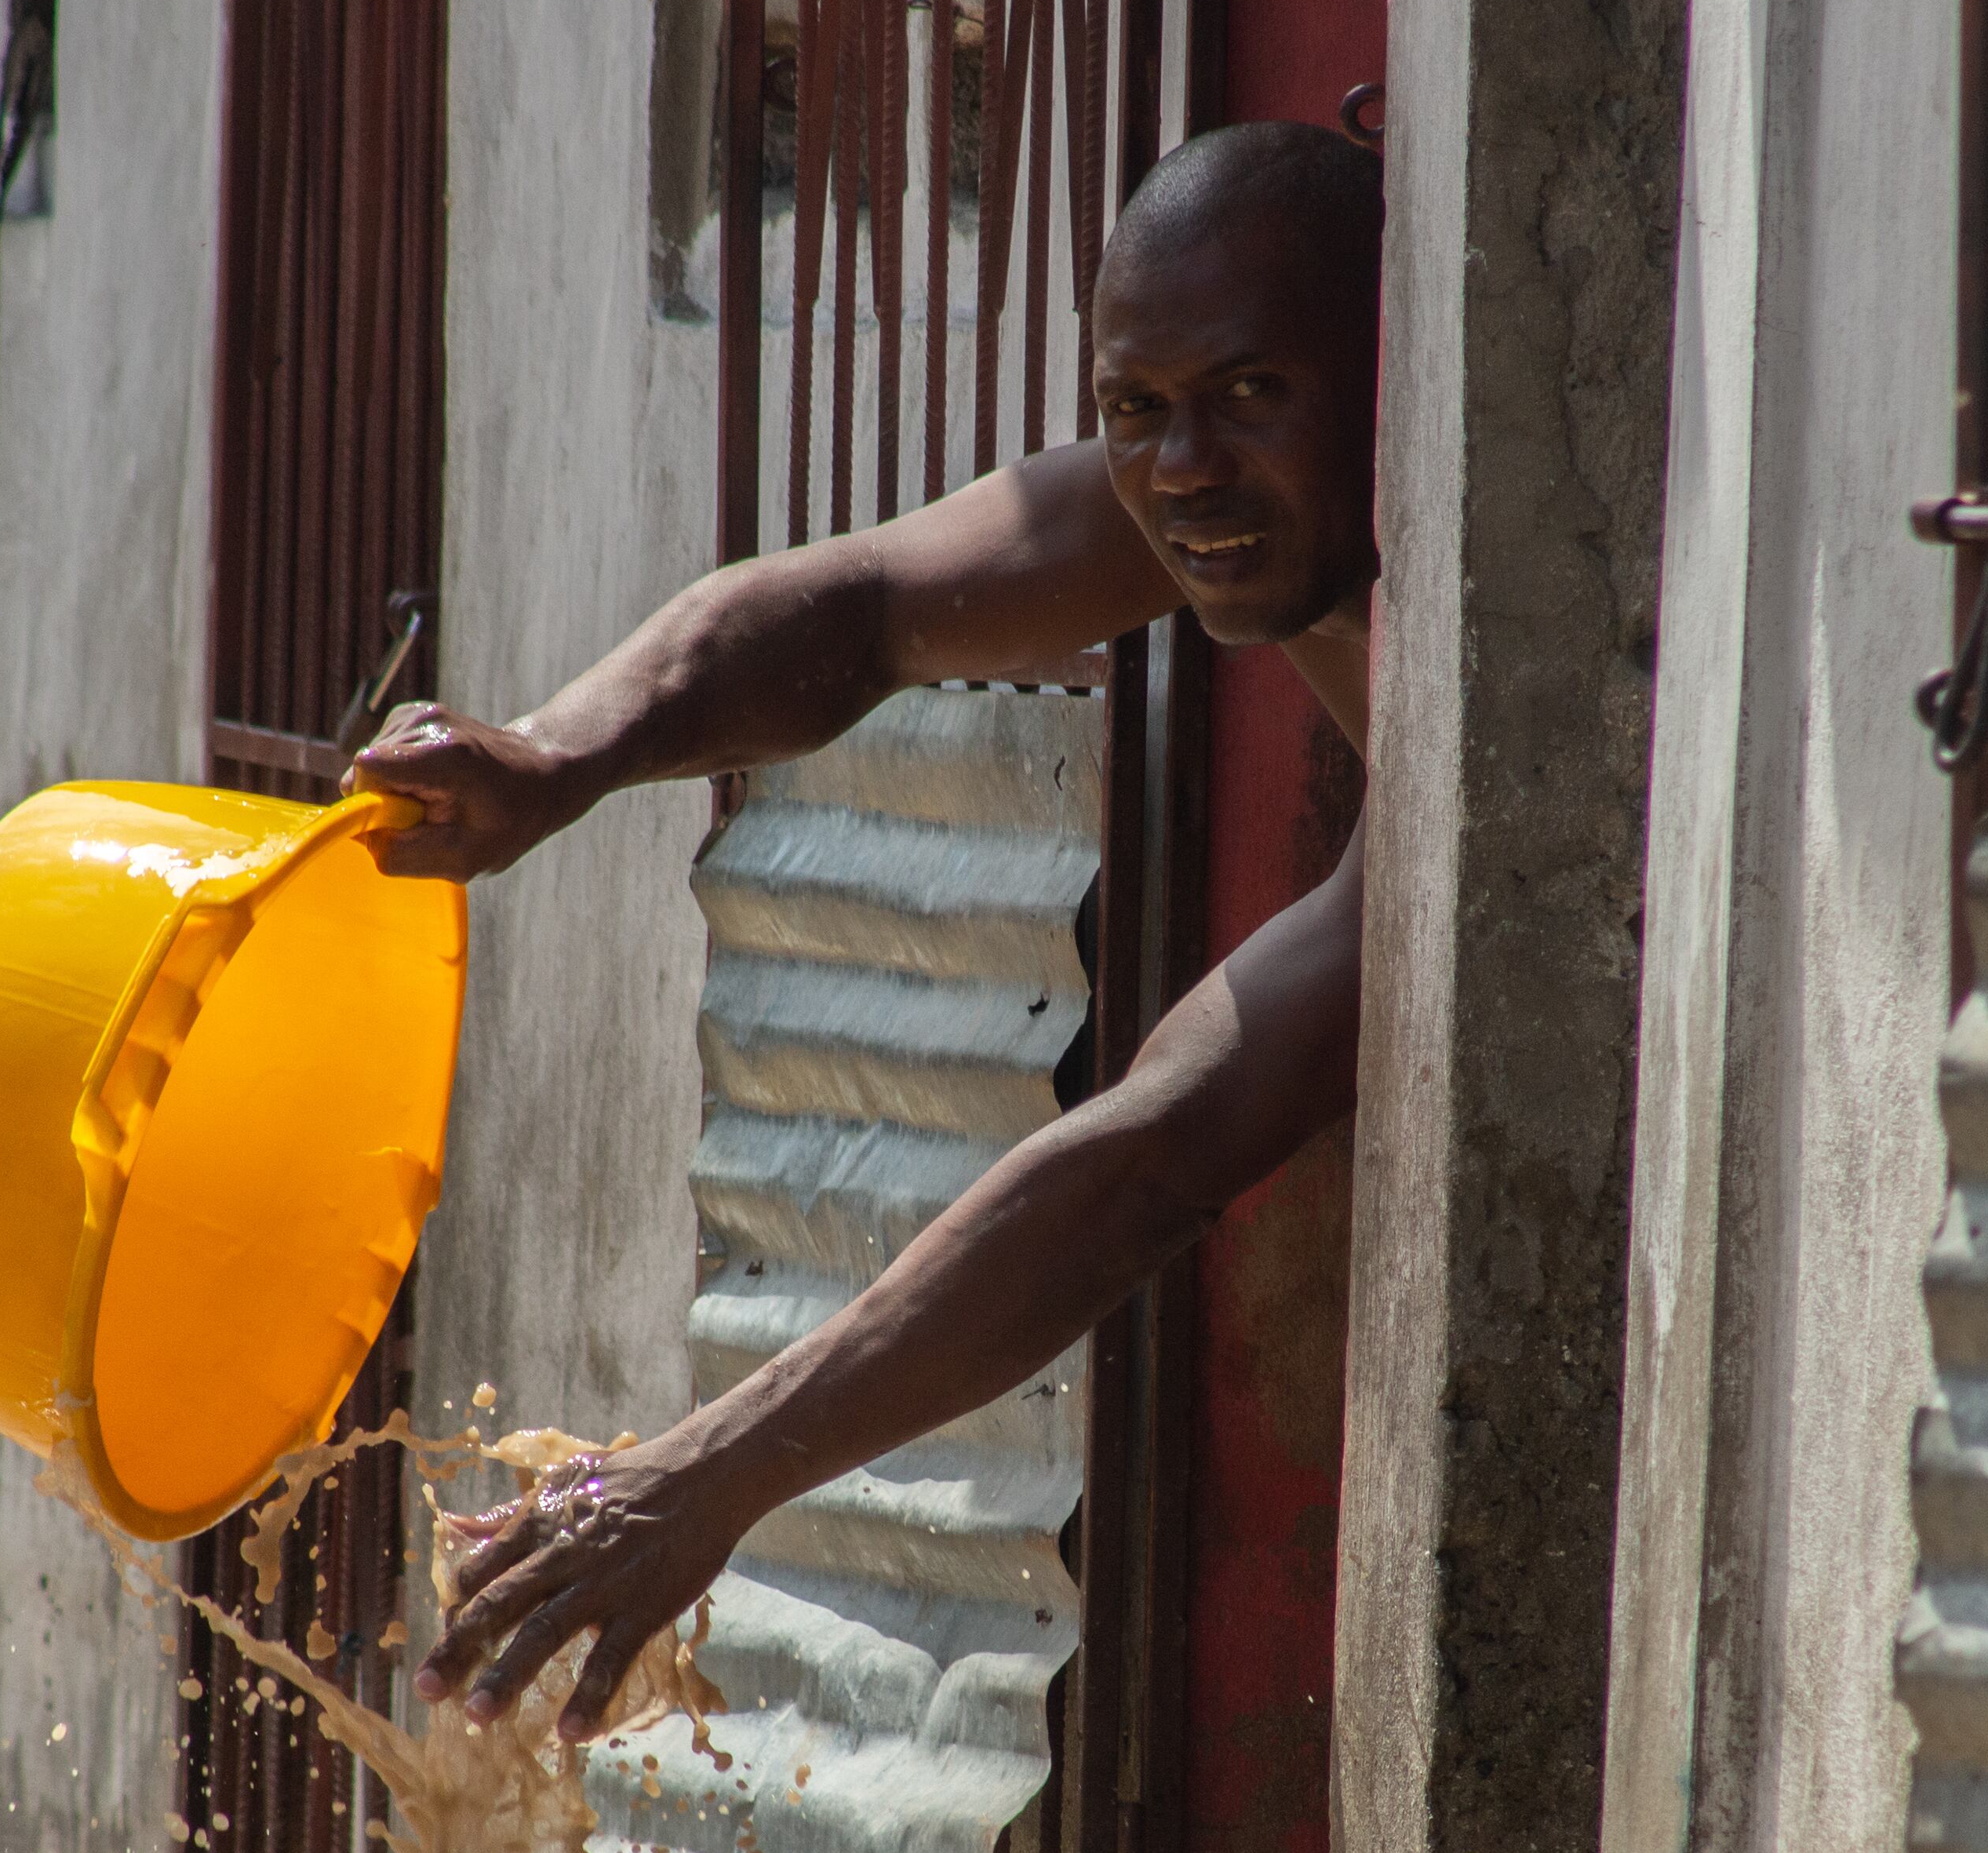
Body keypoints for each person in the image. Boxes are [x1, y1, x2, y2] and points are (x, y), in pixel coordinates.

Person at [359, 121, 1380, 1742]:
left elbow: (1149, 1154)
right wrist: (569, 750)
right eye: (1134, 411)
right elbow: (866, 603)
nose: (1183, 466)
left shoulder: (1470, 670)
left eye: (1254, 393)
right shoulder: (1198, 498)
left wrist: (709, 1466)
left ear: (1394, 375)